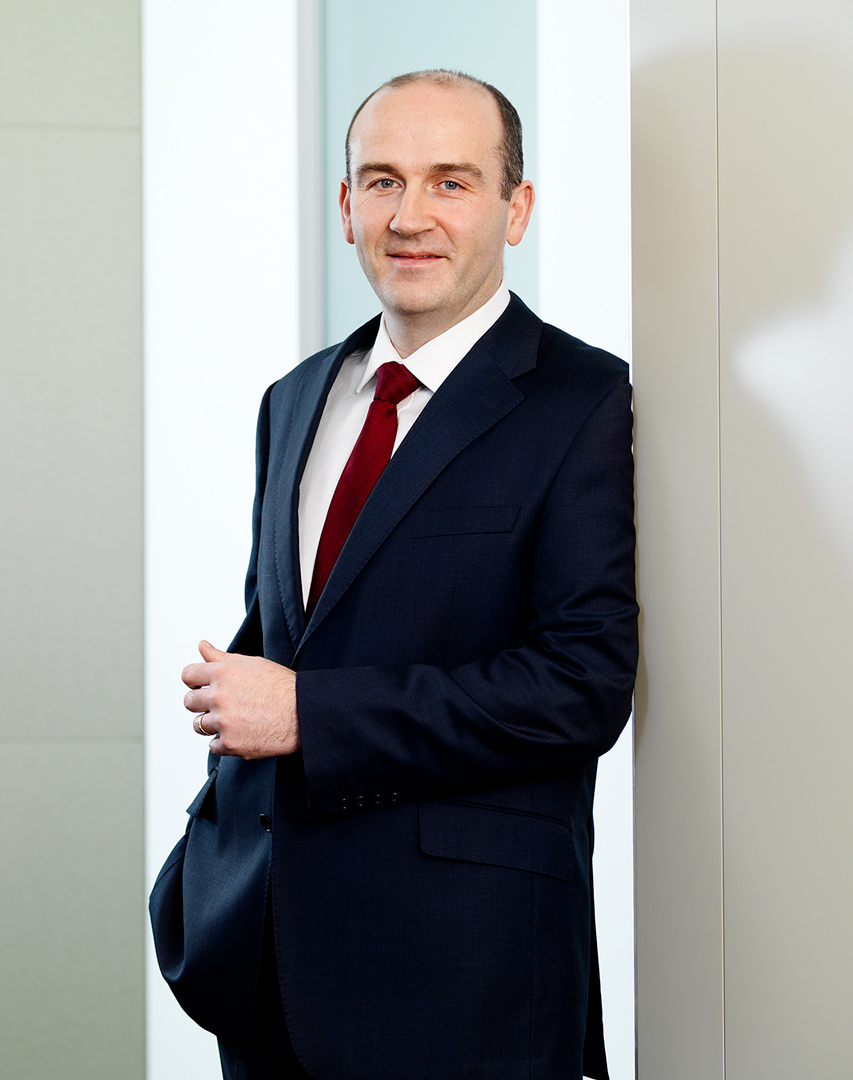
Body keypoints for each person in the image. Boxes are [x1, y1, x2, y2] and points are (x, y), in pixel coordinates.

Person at [149, 69, 637, 1080]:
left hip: (466, 980)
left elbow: (581, 686)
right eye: (381, 181)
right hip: (267, 967)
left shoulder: (584, 400)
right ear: (345, 207)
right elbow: (283, 638)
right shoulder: (295, 398)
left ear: (517, 208)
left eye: (451, 183)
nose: (410, 216)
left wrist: (310, 716)